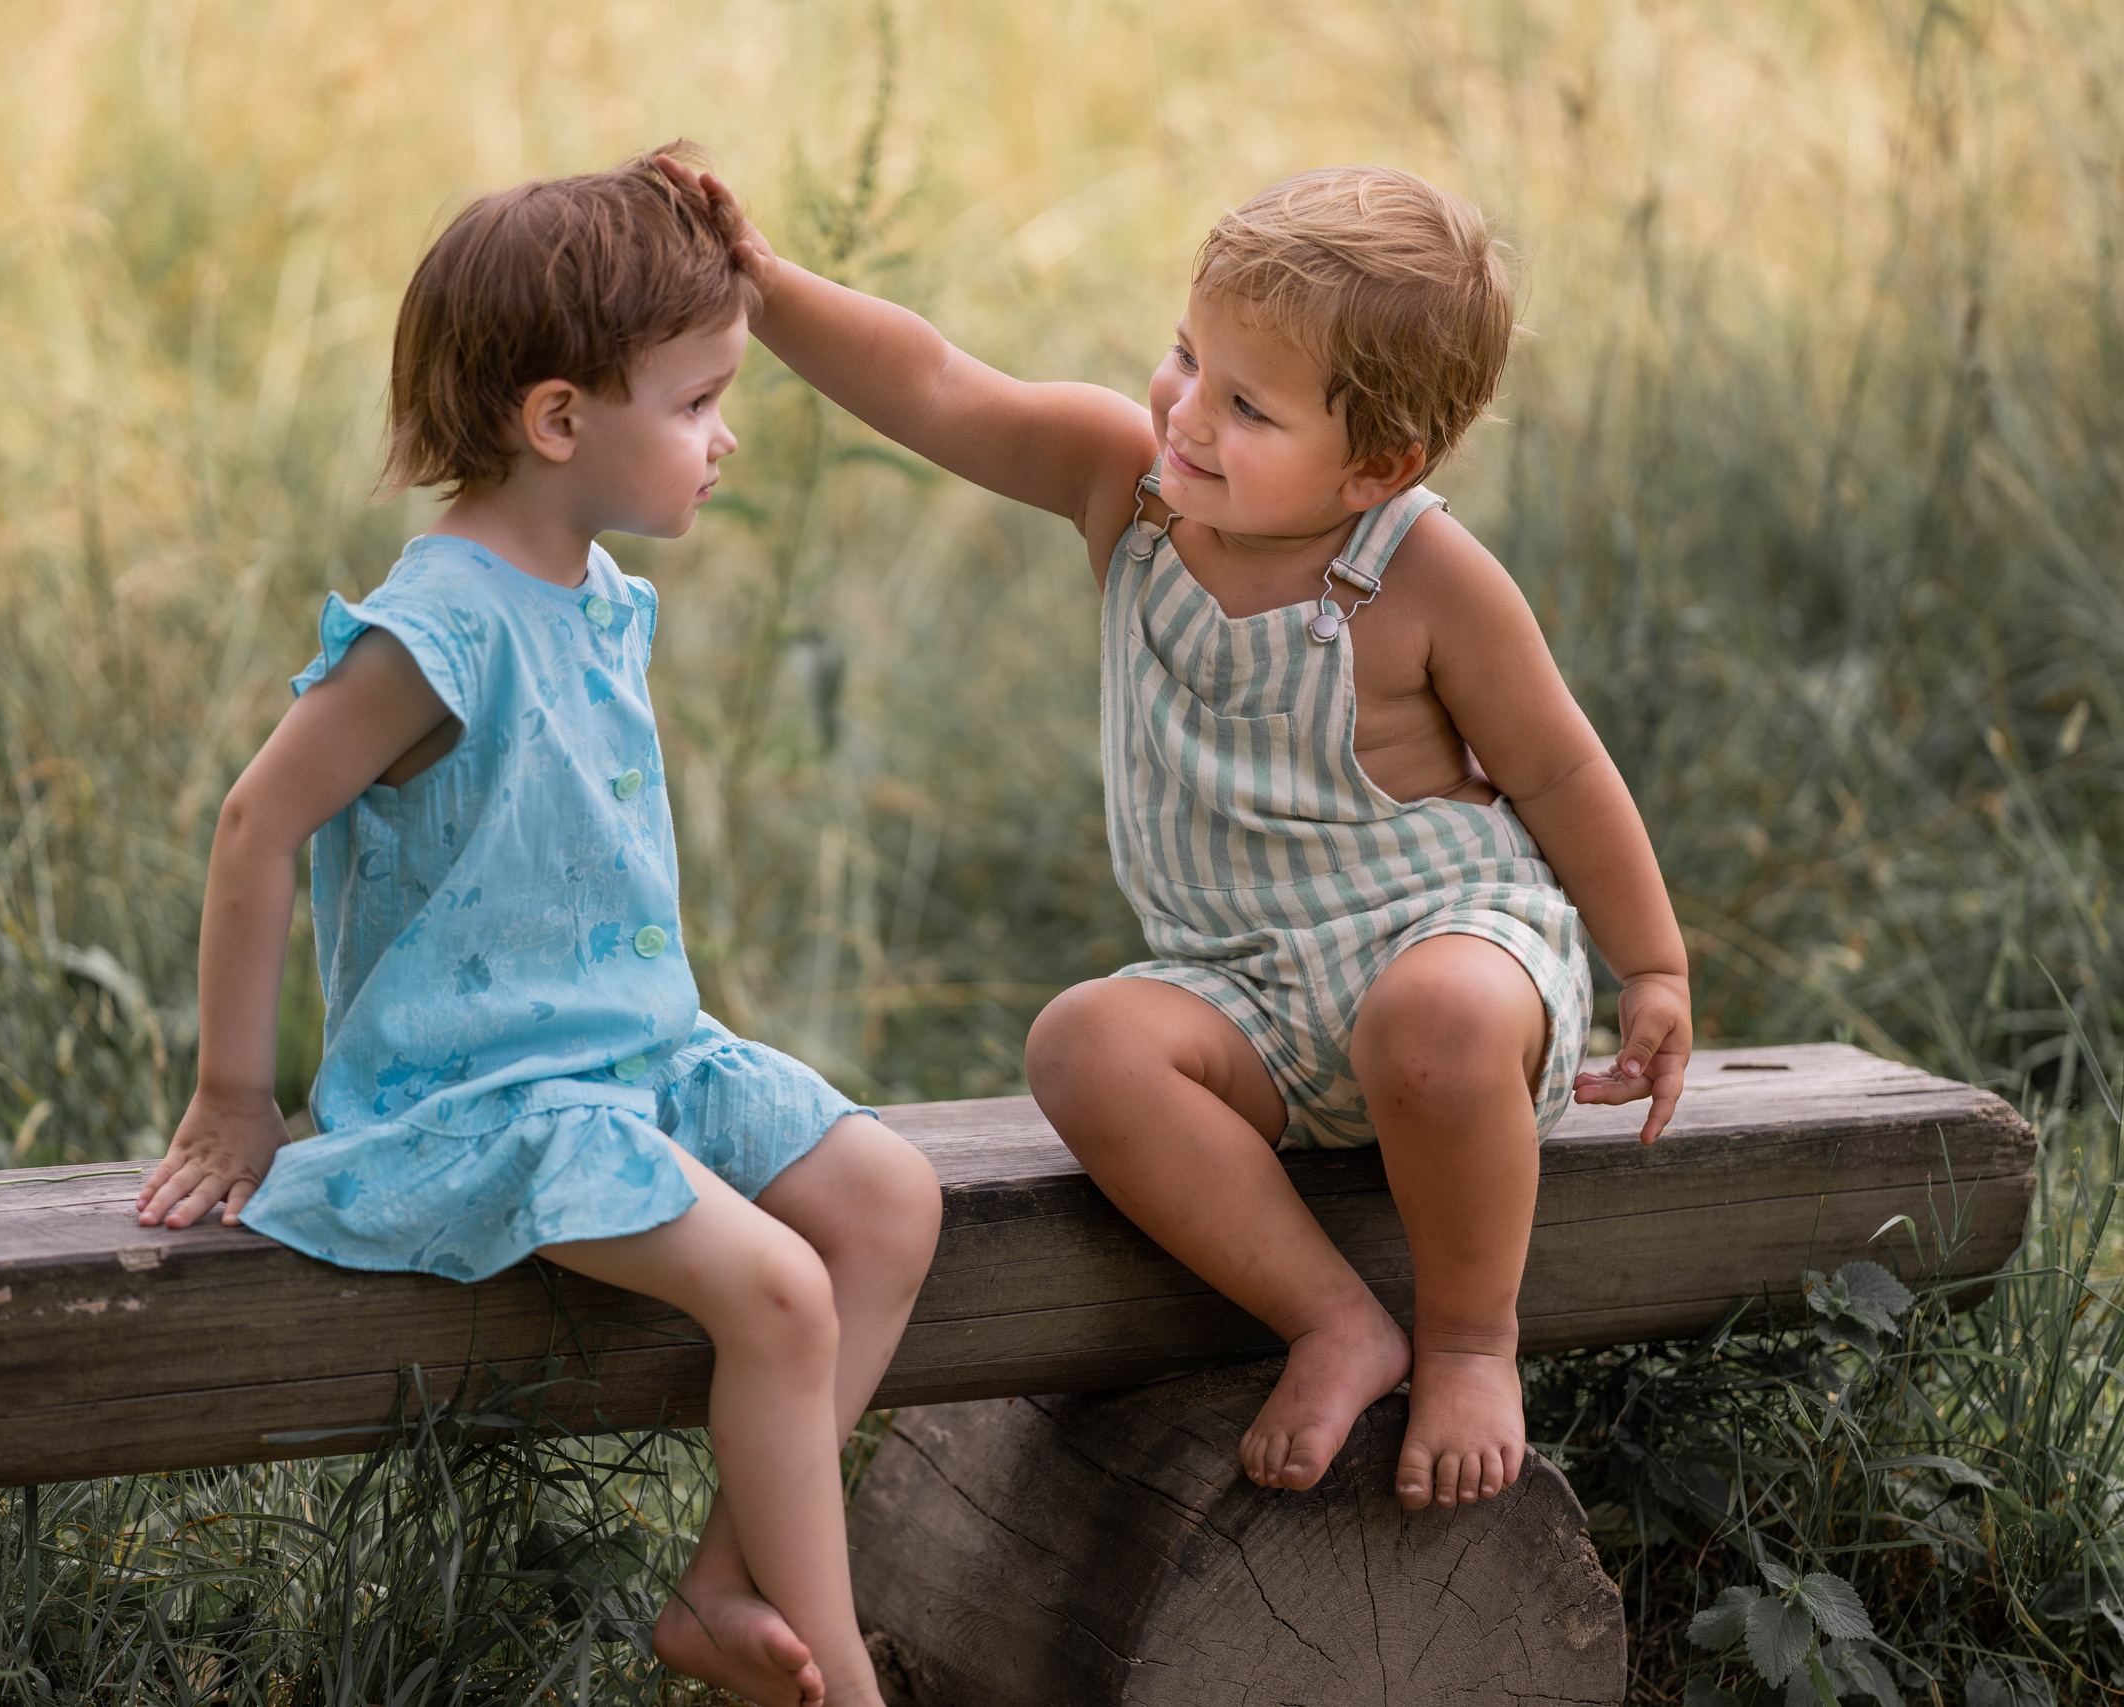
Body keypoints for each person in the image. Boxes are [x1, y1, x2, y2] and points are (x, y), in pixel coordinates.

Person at [667, 156, 1690, 1514]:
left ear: (1375, 464)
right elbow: (934, 385)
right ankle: (1333, 1318)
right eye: (1184, 356)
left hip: (1451, 948)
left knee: (1431, 1024)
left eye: (1246, 404)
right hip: (1244, 993)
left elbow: (1560, 769)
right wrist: (766, 282)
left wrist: (1654, 966)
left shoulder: (1424, 574)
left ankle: (1465, 1339)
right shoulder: (1128, 490)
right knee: (1082, 1045)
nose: (1185, 412)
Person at [134, 148, 939, 1707]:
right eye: (698, 404)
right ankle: (844, 1681)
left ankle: (721, 1593)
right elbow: (258, 821)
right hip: (494, 1099)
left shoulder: (590, 589)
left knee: (894, 1200)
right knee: (779, 1291)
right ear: (560, 420)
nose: (726, 437)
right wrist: (237, 1094)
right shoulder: (436, 628)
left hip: (641, 1060)